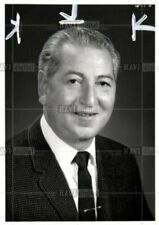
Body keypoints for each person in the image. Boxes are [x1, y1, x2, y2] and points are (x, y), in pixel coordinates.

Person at [6, 27, 154, 221]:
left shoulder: (122, 161)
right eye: (74, 81)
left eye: (103, 83)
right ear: (43, 86)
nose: (90, 100)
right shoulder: (7, 171)